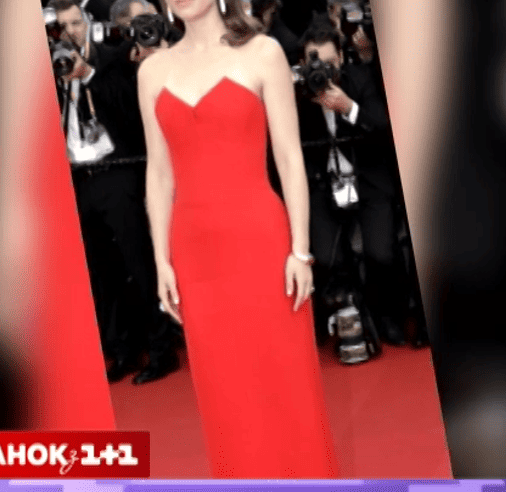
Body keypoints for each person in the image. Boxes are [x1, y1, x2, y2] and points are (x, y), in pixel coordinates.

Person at [137, 0, 338, 478]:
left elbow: (289, 158)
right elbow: (159, 174)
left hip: (262, 244)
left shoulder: (263, 53)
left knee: (285, 383)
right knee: (223, 392)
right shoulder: (152, 71)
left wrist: (300, 250)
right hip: (195, 255)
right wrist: (162, 259)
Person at [49, 0, 180, 385]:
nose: (71, 31)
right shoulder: (51, 69)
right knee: (100, 273)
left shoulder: (114, 57)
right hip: (80, 179)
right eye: (62, 26)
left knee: (138, 264)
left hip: (118, 173)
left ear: (88, 21)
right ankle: (121, 350)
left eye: (75, 22)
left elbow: (129, 109)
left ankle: (161, 350)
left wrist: (88, 75)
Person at [295, 17, 408, 346]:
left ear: (342, 58)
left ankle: (387, 316)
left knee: (381, 254)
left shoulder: (360, 79)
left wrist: (349, 109)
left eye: (330, 63)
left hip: (368, 178)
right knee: (325, 258)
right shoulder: (296, 92)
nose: (323, 71)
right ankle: (343, 314)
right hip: (323, 183)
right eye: (315, 63)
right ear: (303, 64)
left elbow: (384, 126)